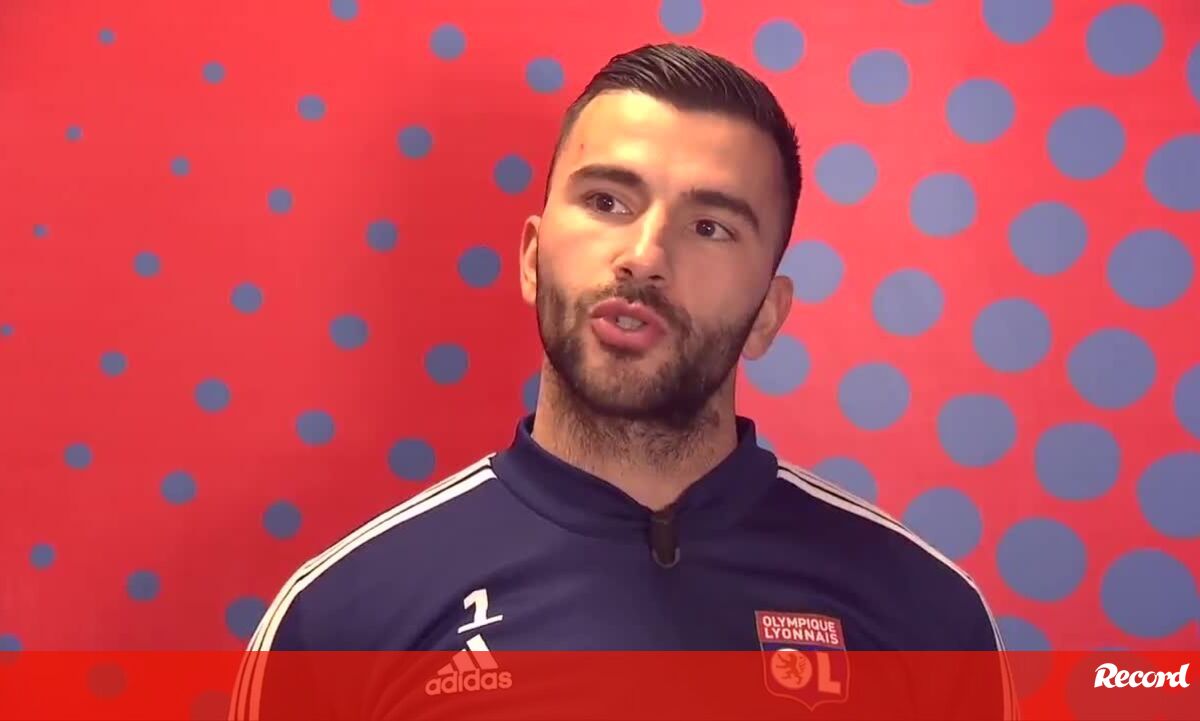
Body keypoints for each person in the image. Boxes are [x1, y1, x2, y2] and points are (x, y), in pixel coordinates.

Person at [231, 42, 1014, 720]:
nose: (645, 255)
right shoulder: (339, 617)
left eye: (709, 226)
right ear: (533, 258)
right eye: (607, 200)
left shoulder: (926, 614)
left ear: (768, 315)